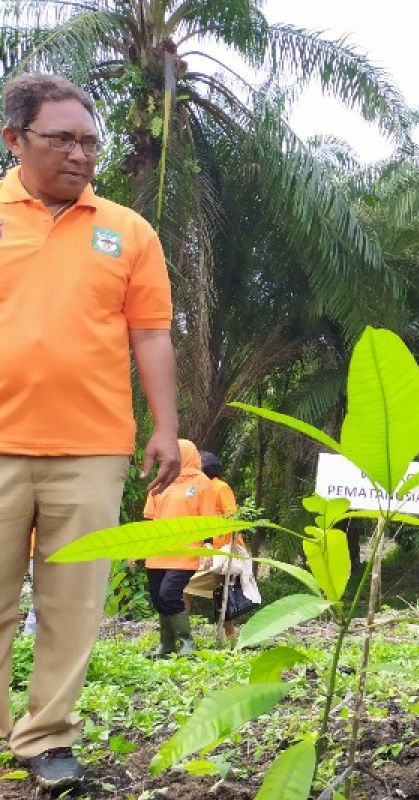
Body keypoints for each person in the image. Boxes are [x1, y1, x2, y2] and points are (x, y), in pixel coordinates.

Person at [0, 73, 178, 791]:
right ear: (16, 140)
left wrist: (166, 427)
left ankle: (46, 739)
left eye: (89, 141)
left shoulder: (128, 231)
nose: (80, 154)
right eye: (62, 139)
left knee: (73, 604)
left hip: (93, 447)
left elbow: (152, 334)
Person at [143, 440, 218, 658]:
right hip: (157, 552)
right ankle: (166, 646)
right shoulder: (159, 482)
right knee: (158, 598)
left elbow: (208, 520)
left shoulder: (201, 482)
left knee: (169, 595)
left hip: (185, 552)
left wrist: (207, 545)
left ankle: (187, 643)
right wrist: (137, 549)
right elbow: (149, 520)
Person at [183, 451, 245, 642]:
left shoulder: (220, 487)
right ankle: (230, 637)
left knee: (185, 588)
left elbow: (231, 517)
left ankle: (181, 636)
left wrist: (213, 546)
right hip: (209, 551)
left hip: (222, 550)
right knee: (221, 593)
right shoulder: (202, 489)